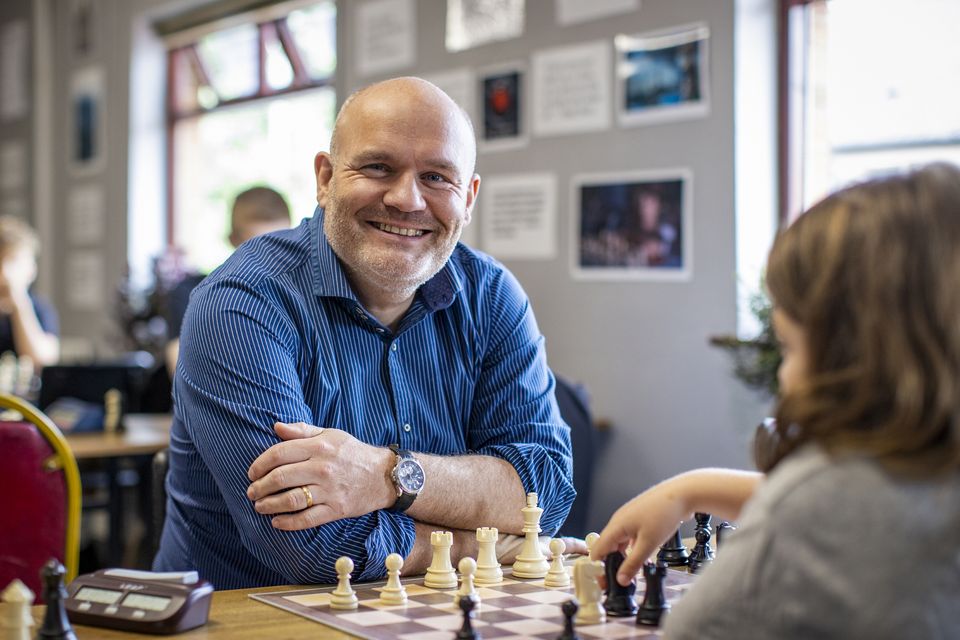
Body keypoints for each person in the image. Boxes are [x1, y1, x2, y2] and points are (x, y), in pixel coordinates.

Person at [154, 77, 577, 589]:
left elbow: (547, 492)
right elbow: (310, 549)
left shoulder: (491, 295)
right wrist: (490, 542)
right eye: (378, 167)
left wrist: (384, 473)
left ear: (468, 197)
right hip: (248, 621)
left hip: (427, 615)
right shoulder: (241, 303)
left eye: (437, 177)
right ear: (325, 178)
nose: (406, 199)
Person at [591, 163, 960, 638]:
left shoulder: (815, 508)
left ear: (851, 355)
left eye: (788, 347)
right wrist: (692, 488)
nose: (784, 374)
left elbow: (693, 629)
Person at [164, 186, 291, 377]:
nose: (268, 260)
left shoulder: (299, 297)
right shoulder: (192, 293)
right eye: (256, 249)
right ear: (232, 240)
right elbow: (181, 369)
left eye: (279, 245)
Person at [0, 216, 59, 367]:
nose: (5, 272)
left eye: (13, 262)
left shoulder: (40, 308)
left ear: (31, 269)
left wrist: (19, 303)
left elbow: (42, 360)